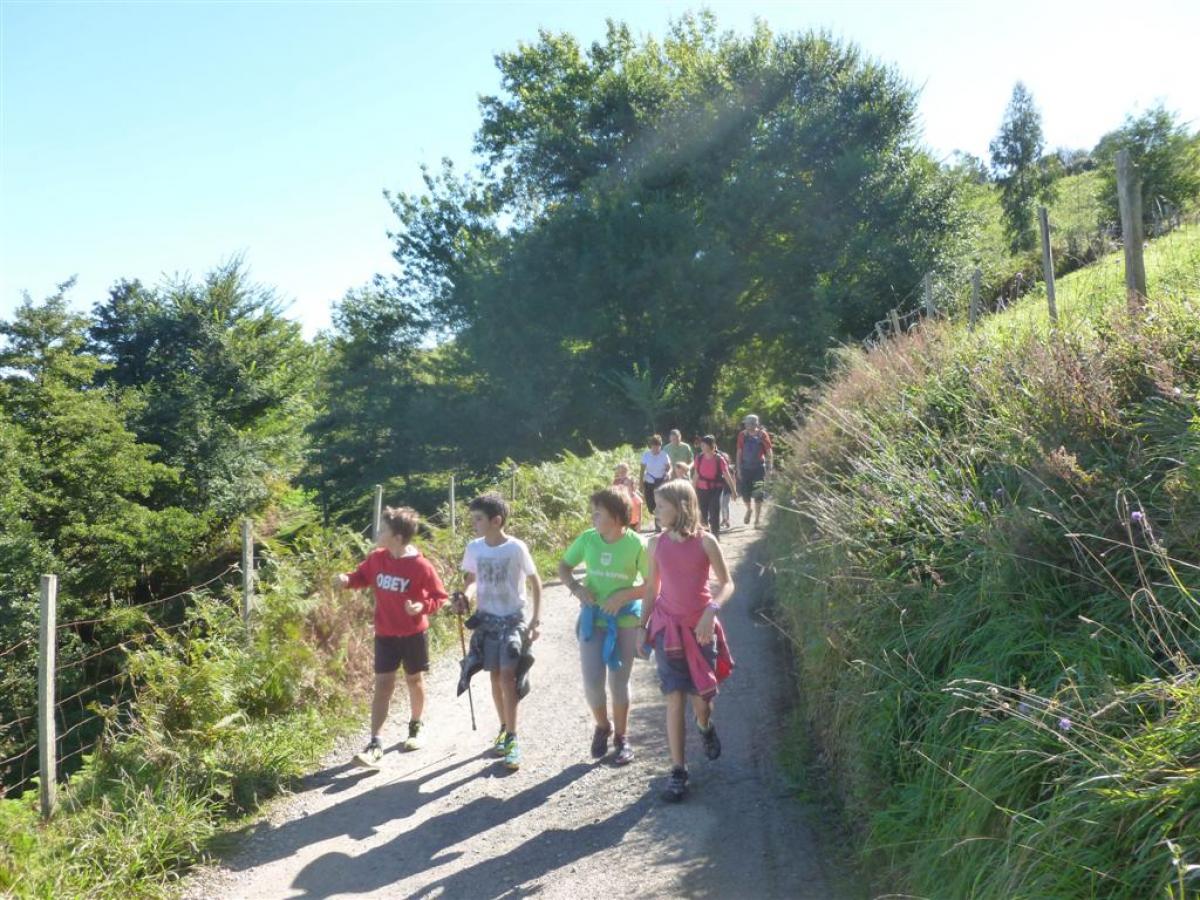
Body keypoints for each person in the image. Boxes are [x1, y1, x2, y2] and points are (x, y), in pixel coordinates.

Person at [639, 480, 735, 802]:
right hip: (668, 629)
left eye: (661, 505)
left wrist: (712, 610)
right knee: (673, 697)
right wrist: (643, 627)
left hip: (701, 630)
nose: (655, 511)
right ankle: (678, 771)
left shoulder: (706, 542)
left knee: (701, 702)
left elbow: (727, 584)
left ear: (681, 507)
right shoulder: (655, 545)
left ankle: (705, 727)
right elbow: (652, 589)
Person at [334, 506, 449, 767]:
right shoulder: (377, 558)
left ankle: (416, 725)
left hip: (413, 634)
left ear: (397, 537)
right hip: (385, 634)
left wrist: (423, 607)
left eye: (383, 529)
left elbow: (439, 597)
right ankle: (375, 743)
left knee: (414, 679)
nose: (377, 532)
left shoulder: (421, 565)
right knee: (383, 685)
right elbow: (362, 576)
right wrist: (346, 580)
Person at [451, 493, 542, 770]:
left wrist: (535, 620)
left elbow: (536, 582)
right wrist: (464, 597)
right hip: (487, 621)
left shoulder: (516, 548)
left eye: (478, 519)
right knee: (494, 677)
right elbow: (471, 580)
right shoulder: (474, 548)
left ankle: (513, 738)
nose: (474, 524)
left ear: (496, 520)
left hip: (513, 620)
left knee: (507, 677)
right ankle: (504, 728)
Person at [557, 489, 648, 766]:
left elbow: (653, 586)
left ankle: (622, 738)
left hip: (625, 621)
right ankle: (602, 726)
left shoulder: (638, 545)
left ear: (618, 517)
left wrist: (622, 595)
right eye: (593, 512)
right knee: (592, 682)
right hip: (592, 619)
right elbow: (564, 566)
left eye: (598, 513)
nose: (592, 517)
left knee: (618, 682)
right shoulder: (587, 539)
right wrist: (577, 588)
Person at [692, 435, 738, 538]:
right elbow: (696, 475)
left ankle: (715, 535)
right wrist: (692, 490)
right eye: (701, 445)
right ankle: (705, 536)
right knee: (703, 514)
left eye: (704, 445)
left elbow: (727, 475)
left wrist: (733, 491)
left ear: (710, 446)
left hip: (715, 490)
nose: (701, 447)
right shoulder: (699, 458)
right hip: (701, 489)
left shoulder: (719, 459)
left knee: (714, 512)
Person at [736, 414, 773, 528]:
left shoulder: (762, 435)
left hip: (758, 469)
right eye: (746, 424)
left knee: (758, 494)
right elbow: (739, 452)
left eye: (748, 423)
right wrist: (738, 468)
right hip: (745, 468)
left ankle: (757, 520)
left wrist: (769, 467)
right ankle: (749, 509)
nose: (746, 425)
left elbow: (769, 451)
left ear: (755, 424)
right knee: (745, 493)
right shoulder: (742, 435)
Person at [639, 435, 671, 532]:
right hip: (649, 481)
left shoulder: (664, 455)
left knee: (658, 503)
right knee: (651, 505)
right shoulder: (646, 455)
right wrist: (640, 484)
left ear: (660, 446)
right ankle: (657, 518)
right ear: (651, 446)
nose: (656, 448)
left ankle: (658, 527)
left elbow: (669, 468)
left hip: (660, 481)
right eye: (654, 446)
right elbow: (642, 471)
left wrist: (668, 474)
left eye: (658, 446)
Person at [611, 463, 643, 530]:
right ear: (617, 472)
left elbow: (633, 489)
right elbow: (613, 492)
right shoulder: (616, 481)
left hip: (629, 504)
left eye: (624, 471)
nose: (622, 473)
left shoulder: (629, 479)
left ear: (627, 471)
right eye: (620, 471)